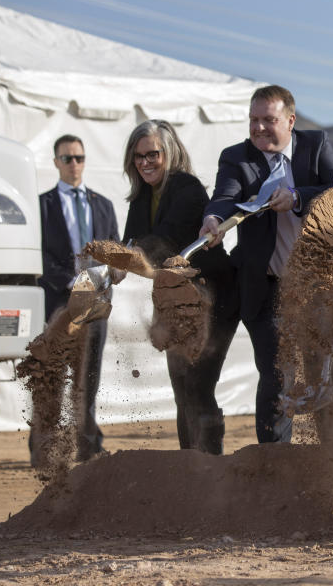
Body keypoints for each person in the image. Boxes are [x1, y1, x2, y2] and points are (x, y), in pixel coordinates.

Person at [200, 85, 333, 444]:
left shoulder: (316, 146)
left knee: (321, 374)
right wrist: (214, 219)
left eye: (269, 120)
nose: (260, 128)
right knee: (279, 373)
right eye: (254, 120)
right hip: (266, 286)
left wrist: (296, 198)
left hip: (314, 286)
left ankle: (332, 458)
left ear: (290, 121)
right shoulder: (236, 157)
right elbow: (225, 197)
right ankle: (274, 462)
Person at [120, 120, 239, 454]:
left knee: (199, 384)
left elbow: (163, 242)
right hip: (175, 303)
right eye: (138, 156)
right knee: (181, 387)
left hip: (214, 299)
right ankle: (191, 465)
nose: (145, 162)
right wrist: (115, 263)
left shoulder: (187, 188)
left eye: (152, 154)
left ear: (168, 153)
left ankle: (210, 467)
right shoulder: (140, 198)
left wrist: (123, 258)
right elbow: (132, 242)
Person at [36, 133, 119, 463]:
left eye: (79, 158)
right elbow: (39, 257)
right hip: (59, 302)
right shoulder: (42, 205)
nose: (74, 164)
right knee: (52, 376)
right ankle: (45, 446)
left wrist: (113, 271)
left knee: (88, 378)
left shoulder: (103, 204)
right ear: (56, 162)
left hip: (96, 303)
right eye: (67, 158)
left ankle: (88, 445)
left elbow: (115, 251)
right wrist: (73, 282)